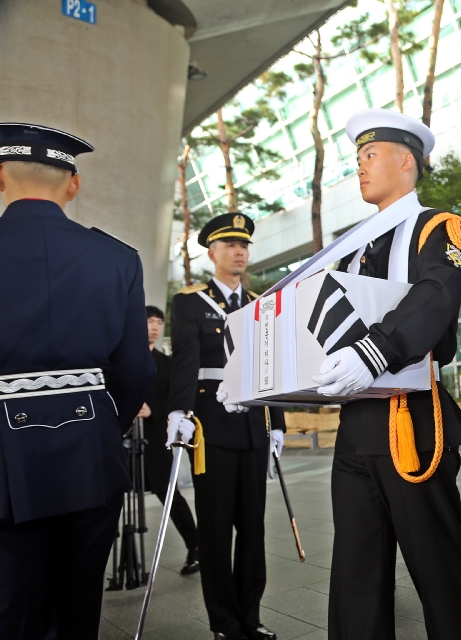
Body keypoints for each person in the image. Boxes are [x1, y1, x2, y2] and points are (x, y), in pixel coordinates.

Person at [301, 109, 461, 639]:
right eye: (357, 158)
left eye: (369, 156)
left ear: (405, 161)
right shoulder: (355, 245)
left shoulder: (440, 228)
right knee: (355, 577)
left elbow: (433, 299)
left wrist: (374, 351)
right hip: (357, 425)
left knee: (441, 572)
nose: (359, 168)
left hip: (413, 421)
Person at [0, 123, 155, 639]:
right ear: (74, 184)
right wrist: (105, 430)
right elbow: (135, 371)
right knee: (78, 606)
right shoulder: (116, 257)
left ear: (0, 178)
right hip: (89, 454)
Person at [167, 213, 287, 640]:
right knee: (216, 531)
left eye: (244, 245)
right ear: (211, 252)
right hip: (211, 429)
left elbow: (271, 368)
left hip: (254, 425)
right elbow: (185, 361)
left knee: (252, 530)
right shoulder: (189, 302)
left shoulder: (259, 303)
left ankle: (250, 618)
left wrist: (277, 423)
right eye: (230, 245)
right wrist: (178, 411)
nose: (239, 252)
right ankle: (224, 623)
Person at [138, 305, 200, 573]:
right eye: (149, 321)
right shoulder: (121, 360)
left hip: (153, 436)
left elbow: (176, 401)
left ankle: (195, 546)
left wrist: (153, 411)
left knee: (168, 494)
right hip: (122, 441)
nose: (154, 326)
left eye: (158, 322)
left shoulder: (167, 364)